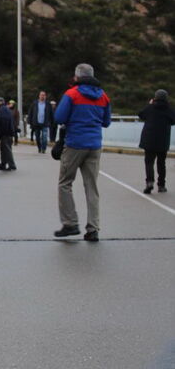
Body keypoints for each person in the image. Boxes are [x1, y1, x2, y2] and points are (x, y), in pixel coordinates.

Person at [53, 63, 111, 242]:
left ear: (77, 77)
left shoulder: (72, 94)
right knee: (91, 187)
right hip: (94, 145)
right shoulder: (103, 96)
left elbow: (59, 117)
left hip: (75, 144)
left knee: (65, 183)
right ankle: (93, 229)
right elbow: (106, 122)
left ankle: (70, 223)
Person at [138, 89, 175, 194]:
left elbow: (141, 115)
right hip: (163, 141)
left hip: (149, 140)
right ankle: (161, 185)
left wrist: (149, 104)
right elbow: (173, 120)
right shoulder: (168, 109)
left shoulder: (150, 107)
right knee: (161, 163)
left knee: (149, 162)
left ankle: (149, 182)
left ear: (155, 97)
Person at [0, 97, 16, 171]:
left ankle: (11, 165)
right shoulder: (4, 109)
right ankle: (3, 164)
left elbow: (3, 122)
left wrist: (1, 133)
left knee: (6, 149)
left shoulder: (2, 110)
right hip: (7, 133)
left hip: (5, 133)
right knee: (3, 149)